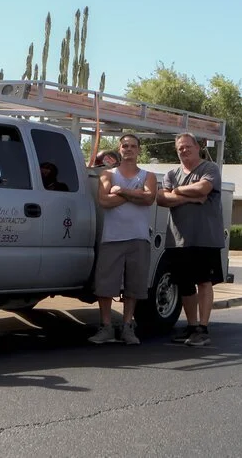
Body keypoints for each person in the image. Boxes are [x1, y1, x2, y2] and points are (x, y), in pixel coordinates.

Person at [157, 132, 224, 347]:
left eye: (188, 146)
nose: (184, 150)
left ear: (197, 147)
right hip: (178, 240)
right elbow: (161, 198)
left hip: (205, 238)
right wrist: (191, 197)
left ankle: (203, 328)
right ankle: (192, 326)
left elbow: (204, 188)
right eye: (180, 148)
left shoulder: (210, 169)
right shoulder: (172, 173)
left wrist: (176, 191)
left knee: (203, 282)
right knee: (185, 284)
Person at [89, 134, 157, 345]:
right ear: (119, 149)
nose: (128, 149)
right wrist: (134, 194)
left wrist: (121, 191)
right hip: (112, 238)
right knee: (105, 285)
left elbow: (149, 198)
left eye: (133, 146)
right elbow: (104, 201)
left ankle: (128, 327)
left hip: (139, 238)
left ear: (139, 150)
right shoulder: (108, 174)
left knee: (134, 286)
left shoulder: (148, 176)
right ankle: (106, 327)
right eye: (125, 146)